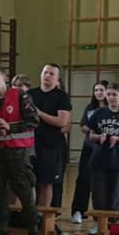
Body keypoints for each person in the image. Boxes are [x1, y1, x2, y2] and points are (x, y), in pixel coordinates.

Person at [0, 66, 42, 235]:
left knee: (25, 195)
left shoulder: (20, 95)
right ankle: (1, 234)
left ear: (4, 78)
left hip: (19, 153)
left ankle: (34, 234)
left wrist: (10, 127)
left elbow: (33, 120)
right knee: (0, 196)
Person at [87, 82, 119, 226]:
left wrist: (117, 138)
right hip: (99, 160)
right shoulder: (99, 113)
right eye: (108, 94)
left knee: (114, 196)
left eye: (114, 94)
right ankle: (99, 224)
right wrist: (99, 136)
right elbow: (91, 135)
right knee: (98, 196)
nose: (111, 97)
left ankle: (112, 224)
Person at [27, 64, 72, 211]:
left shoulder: (61, 96)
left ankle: (43, 214)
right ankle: (31, 214)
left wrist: (40, 114)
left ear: (57, 78)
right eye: (45, 72)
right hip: (31, 144)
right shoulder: (30, 94)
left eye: (52, 74)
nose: (47, 75)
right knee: (29, 181)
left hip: (51, 146)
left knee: (46, 182)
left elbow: (62, 122)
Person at [70, 82, 107, 224]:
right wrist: (92, 129)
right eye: (96, 90)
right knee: (83, 179)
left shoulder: (111, 109)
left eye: (101, 90)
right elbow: (83, 125)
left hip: (104, 149)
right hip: (89, 147)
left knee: (101, 182)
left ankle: (100, 217)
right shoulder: (90, 108)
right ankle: (78, 211)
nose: (98, 93)